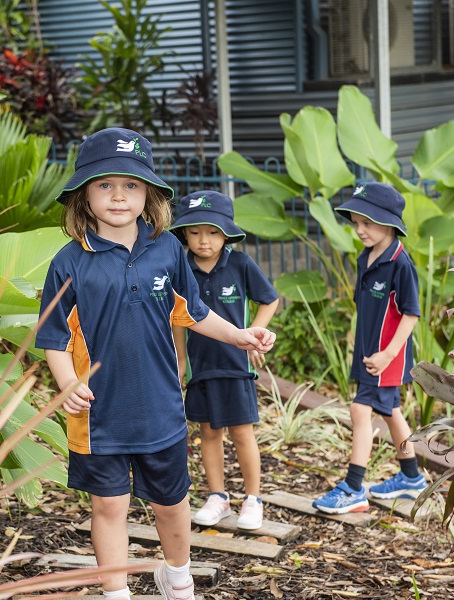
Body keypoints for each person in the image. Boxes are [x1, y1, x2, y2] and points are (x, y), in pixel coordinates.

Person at [35, 128, 275, 600]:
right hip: (98, 415)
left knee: (172, 502)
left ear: (149, 193)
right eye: (105, 185)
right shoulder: (68, 262)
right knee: (109, 507)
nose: (118, 196)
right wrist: (67, 383)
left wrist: (239, 335)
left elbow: (194, 311)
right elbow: (53, 338)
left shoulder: (167, 250)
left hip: (160, 408)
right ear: (84, 194)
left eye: (131, 184)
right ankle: (116, 592)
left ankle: (178, 576)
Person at [312, 182, 427, 515]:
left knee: (360, 411)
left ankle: (353, 488)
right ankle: (411, 477)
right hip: (368, 353)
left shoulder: (400, 263)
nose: (359, 229)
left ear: (389, 223)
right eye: (356, 223)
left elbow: (411, 314)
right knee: (390, 411)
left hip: (385, 357)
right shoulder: (367, 257)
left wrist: (388, 355)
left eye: (368, 223)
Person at [169, 190, 279, 530]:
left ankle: (253, 499)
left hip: (236, 366)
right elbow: (178, 318)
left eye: (213, 232)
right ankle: (218, 497)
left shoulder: (241, 264)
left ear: (227, 234)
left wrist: (254, 336)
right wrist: (181, 360)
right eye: (195, 231)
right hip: (200, 367)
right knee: (208, 432)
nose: (204, 240)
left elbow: (270, 300)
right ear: (184, 233)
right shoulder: (180, 269)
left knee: (242, 432)